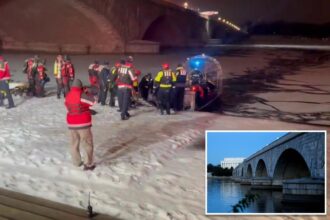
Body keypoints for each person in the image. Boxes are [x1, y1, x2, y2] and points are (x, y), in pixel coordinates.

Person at [65, 79, 96, 171]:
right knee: (87, 143)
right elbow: (92, 102)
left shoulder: (68, 95)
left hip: (71, 123)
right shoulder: (81, 95)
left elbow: (67, 105)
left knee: (74, 143)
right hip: (83, 123)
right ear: (80, 87)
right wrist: (88, 93)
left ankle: (76, 162)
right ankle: (88, 164)